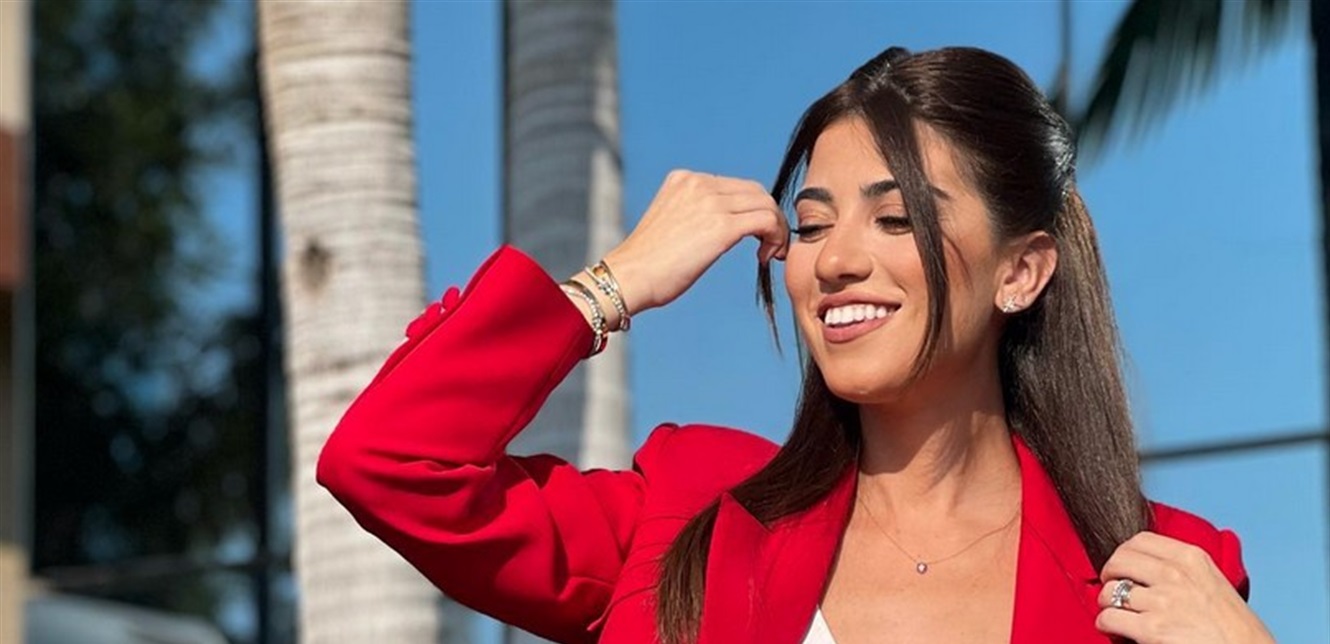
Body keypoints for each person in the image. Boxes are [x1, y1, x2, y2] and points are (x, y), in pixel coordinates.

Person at [317, 46, 1273, 644]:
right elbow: (387, 462)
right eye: (810, 226)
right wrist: (613, 284)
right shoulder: (687, 517)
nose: (835, 261)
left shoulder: (1159, 573)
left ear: (1020, 272)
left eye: (896, 219)